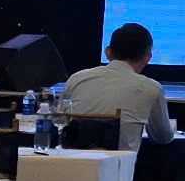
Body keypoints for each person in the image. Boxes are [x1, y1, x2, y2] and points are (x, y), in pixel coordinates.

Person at [64, 23, 174, 151]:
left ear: (107, 52)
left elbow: (61, 122)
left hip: (70, 161)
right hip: (119, 163)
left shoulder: (76, 79)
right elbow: (163, 137)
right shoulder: (151, 89)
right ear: (147, 58)